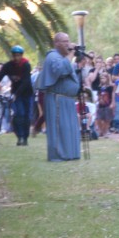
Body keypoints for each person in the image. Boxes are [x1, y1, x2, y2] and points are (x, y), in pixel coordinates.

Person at [36, 32, 83, 161]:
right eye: (64, 41)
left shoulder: (63, 57)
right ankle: (58, 155)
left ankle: (70, 154)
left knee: (69, 128)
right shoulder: (52, 56)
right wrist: (70, 54)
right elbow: (60, 71)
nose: (68, 44)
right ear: (56, 43)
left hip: (67, 100)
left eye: (68, 41)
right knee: (60, 128)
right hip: (57, 100)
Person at [0, 45, 34, 145]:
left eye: (19, 55)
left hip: (26, 93)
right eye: (15, 55)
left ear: (21, 56)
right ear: (12, 56)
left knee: (26, 115)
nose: (17, 58)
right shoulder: (8, 66)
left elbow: (26, 81)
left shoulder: (26, 65)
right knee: (19, 114)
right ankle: (20, 136)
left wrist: (16, 94)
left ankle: (25, 138)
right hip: (16, 93)